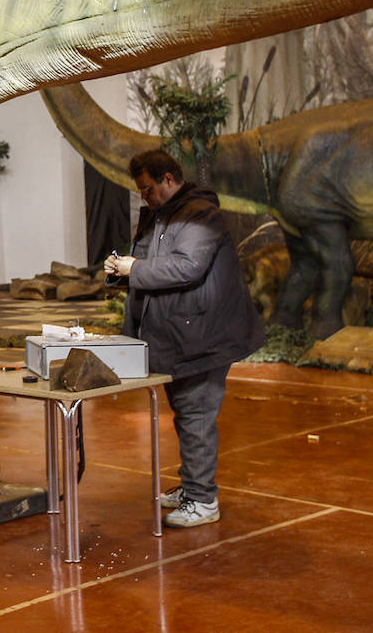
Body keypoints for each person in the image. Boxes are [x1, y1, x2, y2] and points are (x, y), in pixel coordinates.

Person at [105, 149, 263, 528]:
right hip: (177, 336)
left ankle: (203, 500)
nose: (144, 196)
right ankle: (192, 485)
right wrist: (120, 272)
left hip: (203, 337)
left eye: (148, 189)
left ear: (169, 180)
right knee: (187, 414)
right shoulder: (160, 215)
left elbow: (188, 266)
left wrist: (137, 268)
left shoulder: (199, 214)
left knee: (197, 415)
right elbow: (150, 265)